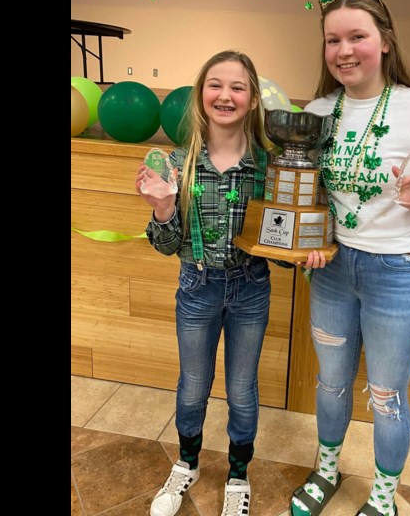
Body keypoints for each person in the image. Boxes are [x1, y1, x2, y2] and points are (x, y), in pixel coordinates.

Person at [290, 0, 410, 516]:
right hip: (335, 270)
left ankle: (384, 497)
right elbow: (308, 198)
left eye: (357, 37)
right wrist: (307, 244)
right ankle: (326, 472)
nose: (344, 51)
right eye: (332, 40)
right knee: (331, 383)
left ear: (385, 40)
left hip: (400, 272)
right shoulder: (318, 112)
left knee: (386, 395)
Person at [136, 50, 290, 516]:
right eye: (216, 85)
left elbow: (279, 252)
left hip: (251, 290)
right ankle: (187, 462)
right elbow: (166, 245)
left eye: (238, 87)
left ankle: (238, 473)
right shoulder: (177, 163)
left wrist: (304, 254)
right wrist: (163, 208)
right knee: (193, 385)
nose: (225, 95)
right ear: (201, 95)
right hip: (195, 289)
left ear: (252, 99)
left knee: (242, 388)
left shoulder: (269, 167)